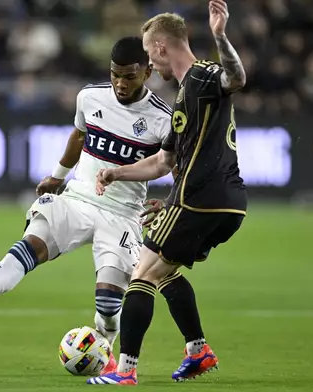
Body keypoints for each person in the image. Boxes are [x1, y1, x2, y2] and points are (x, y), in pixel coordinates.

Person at [0, 36, 175, 375]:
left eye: (129, 76)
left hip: (123, 215)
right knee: (31, 243)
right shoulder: (90, 97)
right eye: (115, 74)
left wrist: (171, 201)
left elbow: (178, 164)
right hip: (77, 199)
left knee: (107, 302)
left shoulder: (163, 118)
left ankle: (107, 354)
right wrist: (58, 176)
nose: (120, 83)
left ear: (147, 72)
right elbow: (79, 136)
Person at [87, 0, 247, 385]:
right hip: (223, 204)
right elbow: (163, 162)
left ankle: (125, 371)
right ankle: (198, 350)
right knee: (163, 273)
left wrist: (221, 35)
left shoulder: (202, 76)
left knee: (139, 272)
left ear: (160, 47)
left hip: (200, 198)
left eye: (148, 53)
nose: (148, 63)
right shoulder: (183, 96)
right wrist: (116, 172)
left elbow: (236, 78)